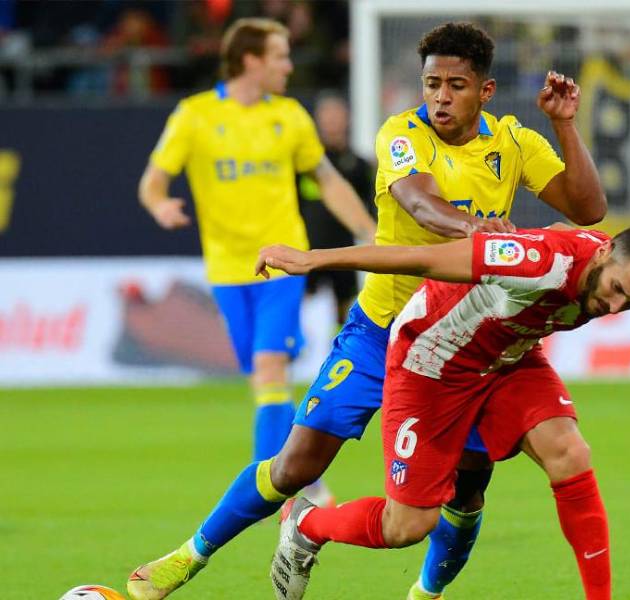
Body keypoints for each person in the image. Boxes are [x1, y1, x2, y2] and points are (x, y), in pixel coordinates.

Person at [127, 21, 605, 600]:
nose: (440, 97)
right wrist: (481, 231)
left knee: (467, 491)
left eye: (456, 85)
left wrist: (564, 125)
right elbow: (422, 206)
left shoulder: (514, 142)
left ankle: (425, 595)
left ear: (486, 91)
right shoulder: (402, 135)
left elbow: (588, 208)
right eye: (432, 83)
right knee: (295, 465)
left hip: (469, 343)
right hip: (383, 329)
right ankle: (184, 560)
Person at [259, 223, 630, 600]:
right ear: (604, 253)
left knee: (570, 453)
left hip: (505, 358)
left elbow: (562, 225)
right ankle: (307, 523)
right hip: (430, 361)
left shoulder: (598, 271)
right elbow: (421, 259)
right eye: (617, 289)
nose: (615, 307)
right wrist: (313, 260)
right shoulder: (538, 263)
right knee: (406, 526)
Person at [136, 20, 375, 481]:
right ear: (251, 60)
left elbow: (327, 180)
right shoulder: (194, 115)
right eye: (280, 56)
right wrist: (159, 204)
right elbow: (152, 180)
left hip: (281, 263)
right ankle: (303, 477)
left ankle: (268, 487)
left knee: (269, 369)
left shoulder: (289, 116)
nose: (289, 66)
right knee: (263, 379)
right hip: (227, 268)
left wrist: (368, 230)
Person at [298, 91, 376, 325]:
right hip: (307, 249)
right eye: (327, 115)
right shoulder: (306, 164)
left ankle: (340, 345)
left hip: (344, 251)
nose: (331, 121)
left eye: (336, 115)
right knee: (303, 313)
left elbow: (371, 206)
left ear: (347, 118)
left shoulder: (359, 165)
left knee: (345, 312)